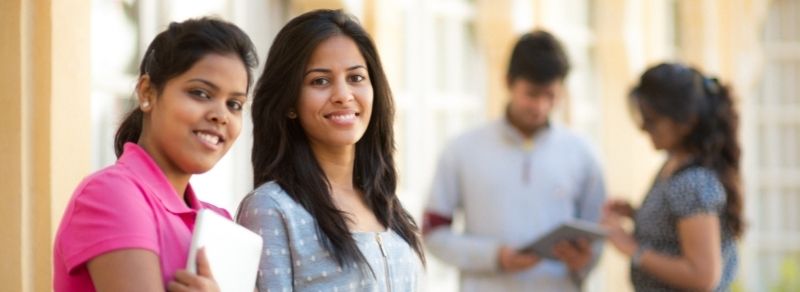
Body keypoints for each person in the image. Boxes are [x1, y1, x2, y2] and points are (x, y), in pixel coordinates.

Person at [53, 17, 258, 291]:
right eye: (200, 93)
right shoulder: (111, 194)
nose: (221, 115)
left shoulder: (218, 222)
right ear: (147, 92)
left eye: (234, 104)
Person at [236, 9, 425, 291]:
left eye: (356, 78)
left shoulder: (385, 202)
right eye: (320, 81)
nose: (343, 95)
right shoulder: (273, 208)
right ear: (289, 103)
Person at [423, 30, 606, 291]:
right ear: (508, 82)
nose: (541, 106)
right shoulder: (462, 149)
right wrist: (495, 256)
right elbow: (433, 234)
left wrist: (583, 260)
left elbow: (595, 239)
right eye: (532, 94)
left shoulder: (583, 153)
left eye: (551, 96)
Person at [601, 63, 742, 291]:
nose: (644, 128)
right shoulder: (674, 164)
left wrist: (632, 248)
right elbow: (675, 234)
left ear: (685, 121)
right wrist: (636, 214)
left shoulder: (693, 181)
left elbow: (703, 276)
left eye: (652, 119)